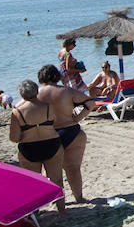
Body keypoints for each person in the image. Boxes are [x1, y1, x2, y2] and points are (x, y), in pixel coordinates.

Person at [37, 64, 93, 205]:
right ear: (57, 76)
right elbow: (91, 104)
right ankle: (79, 198)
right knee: (73, 168)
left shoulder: (37, 94)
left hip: (50, 134)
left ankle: (55, 200)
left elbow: (24, 111)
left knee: (51, 172)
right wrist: (77, 118)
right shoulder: (67, 91)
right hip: (71, 130)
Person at [8, 80, 64, 216]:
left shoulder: (17, 112)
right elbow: (54, 122)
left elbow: (14, 138)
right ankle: (62, 210)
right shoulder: (49, 107)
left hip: (29, 147)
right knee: (57, 179)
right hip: (52, 143)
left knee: (33, 182)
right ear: (37, 91)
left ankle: (36, 212)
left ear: (21, 94)